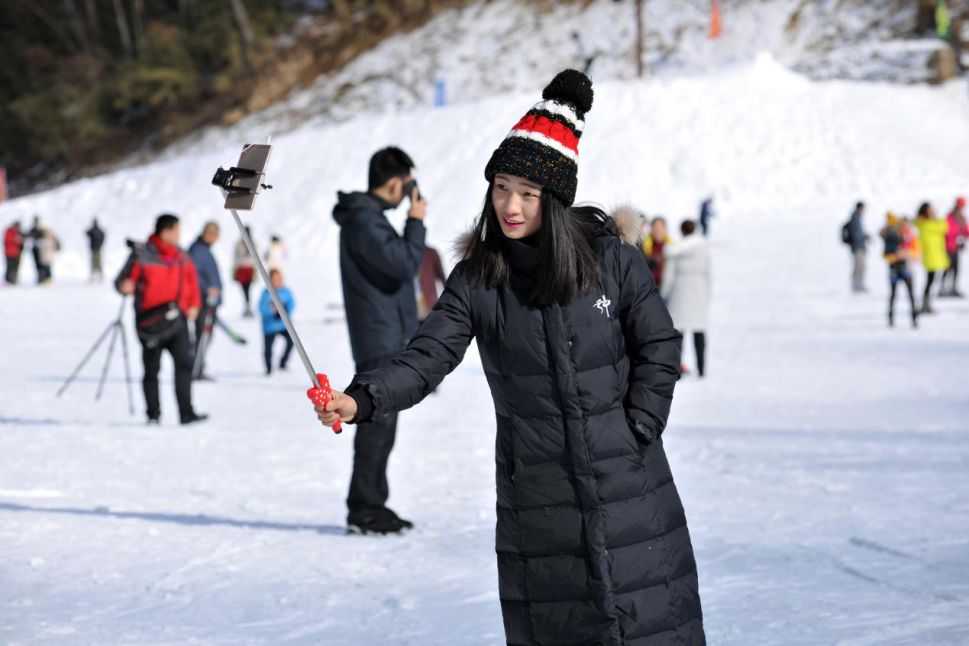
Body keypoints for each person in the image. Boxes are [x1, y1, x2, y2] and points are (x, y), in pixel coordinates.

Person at [315, 70, 703, 644]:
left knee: (650, 625)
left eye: (527, 192)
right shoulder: (480, 280)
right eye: (501, 188)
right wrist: (362, 399)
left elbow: (659, 345)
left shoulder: (611, 263)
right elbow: (427, 356)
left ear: (555, 196)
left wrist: (638, 427)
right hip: (538, 499)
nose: (511, 206)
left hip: (629, 490)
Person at [332, 145, 427, 535]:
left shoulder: (368, 219)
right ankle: (365, 508)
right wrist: (416, 222)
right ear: (393, 183)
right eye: (407, 185)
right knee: (376, 426)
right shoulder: (364, 222)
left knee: (381, 428)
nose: (408, 193)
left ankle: (372, 503)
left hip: (386, 333)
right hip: (378, 338)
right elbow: (404, 264)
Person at [116, 213, 207, 425]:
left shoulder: (182, 256)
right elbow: (121, 282)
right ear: (165, 232)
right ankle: (153, 414)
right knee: (151, 369)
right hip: (150, 322)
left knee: (184, 366)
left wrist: (194, 304)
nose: (179, 235)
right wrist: (124, 286)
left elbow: (193, 283)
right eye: (176, 231)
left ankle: (186, 413)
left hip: (178, 320)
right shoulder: (142, 255)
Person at [663, 219, 711, 377]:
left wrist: (663, 295)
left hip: (679, 293)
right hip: (699, 292)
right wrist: (707, 294)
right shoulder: (704, 248)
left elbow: (668, 276)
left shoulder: (674, 249)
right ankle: (702, 369)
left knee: (678, 333)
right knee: (699, 332)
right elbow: (708, 273)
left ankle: (678, 368)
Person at [188, 221, 223, 381]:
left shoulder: (204, 250)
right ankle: (196, 370)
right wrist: (207, 289)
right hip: (203, 301)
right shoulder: (198, 251)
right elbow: (192, 276)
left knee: (206, 335)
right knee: (203, 335)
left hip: (210, 301)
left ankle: (198, 366)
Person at [880, 213, 918, 328]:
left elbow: (916, 252)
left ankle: (914, 318)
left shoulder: (911, 237)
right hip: (894, 268)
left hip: (907, 268)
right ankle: (891, 319)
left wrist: (906, 254)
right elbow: (886, 254)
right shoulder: (891, 236)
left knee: (911, 295)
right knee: (893, 295)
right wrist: (895, 257)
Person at [914, 201, 950, 314]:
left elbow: (945, 227)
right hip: (930, 255)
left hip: (937, 254)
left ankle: (927, 303)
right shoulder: (924, 225)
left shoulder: (933, 224)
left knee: (932, 281)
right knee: (929, 281)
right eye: (930, 210)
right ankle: (925, 304)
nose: (932, 211)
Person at [259, 269, 295, 375]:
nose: (278, 281)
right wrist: (272, 310)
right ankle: (268, 368)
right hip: (269, 327)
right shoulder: (266, 294)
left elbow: (292, 304)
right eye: (275, 279)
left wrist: (285, 310)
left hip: (283, 325)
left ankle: (283, 362)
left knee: (291, 341)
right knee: (268, 349)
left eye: (279, 279)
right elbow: (261, 308)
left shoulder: (286, 292)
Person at [940, 196, 968, 297]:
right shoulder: (950, 217)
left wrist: (963, 237)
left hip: (957, 247)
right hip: (949, 247)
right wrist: (957, 235)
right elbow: (947, 231)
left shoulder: (962, 218)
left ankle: (953, 288)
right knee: (948, 268)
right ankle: (942, 288)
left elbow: (966, 231)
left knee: (956, 268)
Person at [417, 246, 447, 321]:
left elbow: (442, 277)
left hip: (428, 305)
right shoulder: (400, 253)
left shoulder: (430, 253)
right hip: (409, 310)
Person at [232, 227, 256, 317]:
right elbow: (235, 257)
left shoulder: (253, 243)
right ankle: (246, 306)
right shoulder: (239, 244)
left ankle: (248, 306)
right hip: (241, 269)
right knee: (244, 289)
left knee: (248, 289)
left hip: (249, 268)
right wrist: (235, 269)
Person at [845, 201, 868, 293]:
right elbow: (857, 234)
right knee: (859, 266)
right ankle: (857, 285)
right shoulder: (856, 218)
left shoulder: (857, 217)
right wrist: (862, 239)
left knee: (859, 265)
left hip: (858, 246)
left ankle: (857, 284)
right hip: (857, 247)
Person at [643, 215, 670, 288]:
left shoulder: (672, 246)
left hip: (666, 286)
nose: (658, 231)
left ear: (665, 229)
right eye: (655, 228)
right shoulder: (644, 245)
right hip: (649, 286)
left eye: (660, 228)